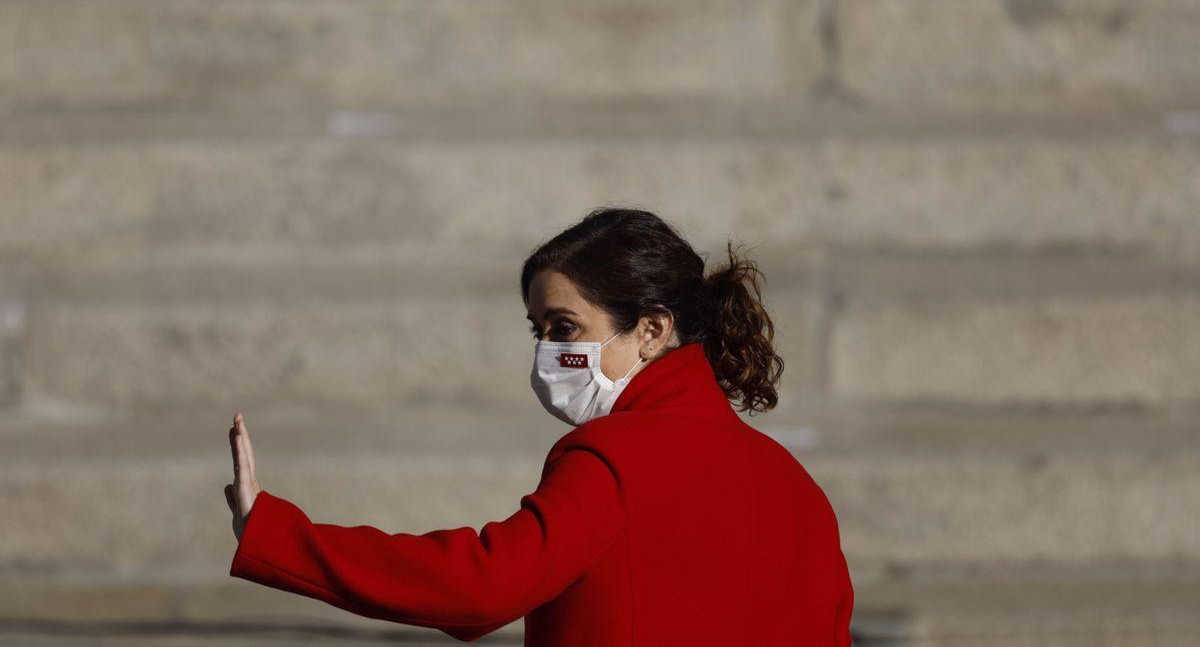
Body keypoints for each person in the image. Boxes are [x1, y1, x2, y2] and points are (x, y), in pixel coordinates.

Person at [225, 207, 854, 645]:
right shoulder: (796, 484)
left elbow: (483, 586)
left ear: (652, 330)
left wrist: (276, 532)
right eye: (539, 331)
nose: (547, 351)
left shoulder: (612, 457)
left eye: (564, 328)